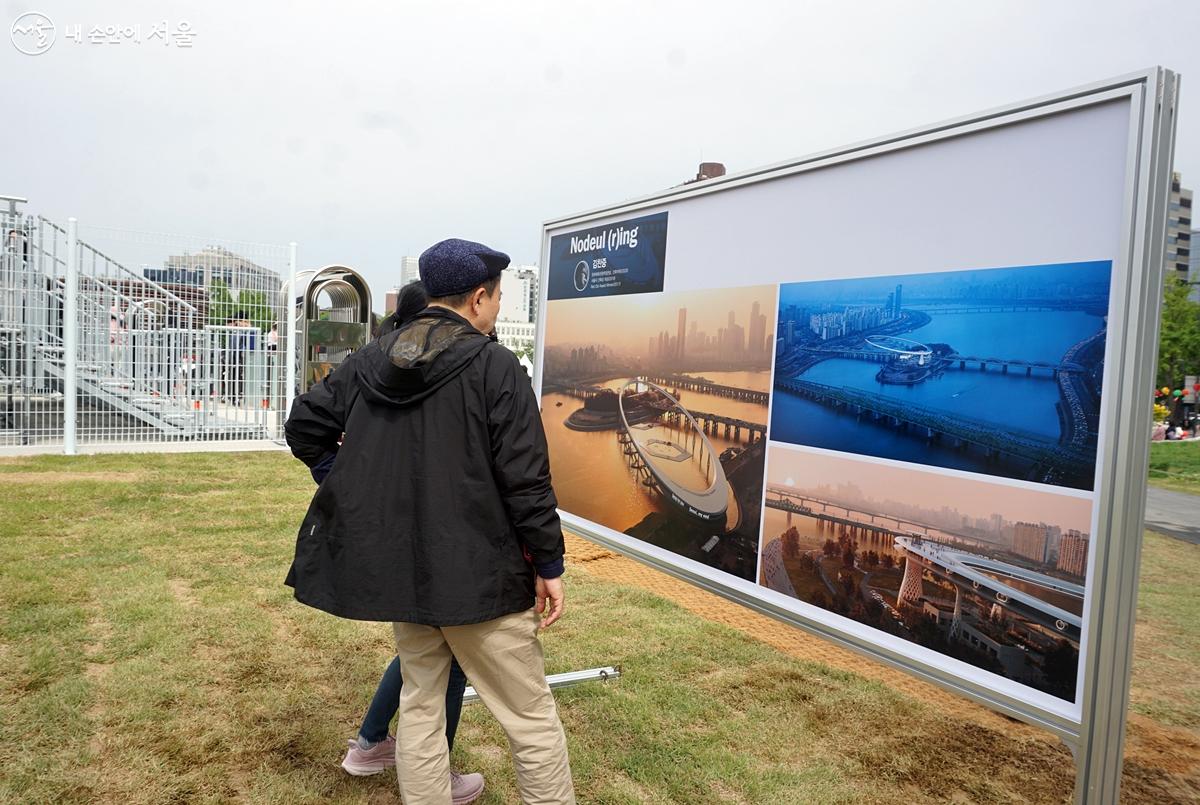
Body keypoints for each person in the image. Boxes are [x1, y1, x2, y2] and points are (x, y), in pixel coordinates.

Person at [285, 238, 574, 804]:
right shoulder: (496, 366)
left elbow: (306, 425)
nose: (497, 309)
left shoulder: (374, 356)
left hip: (407, 572)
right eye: (497, 298)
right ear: (477, 297)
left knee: (421, 703)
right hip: (482, 579)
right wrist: (549, 562)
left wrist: (347, 479)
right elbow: (527, 479)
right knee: (530, 719)